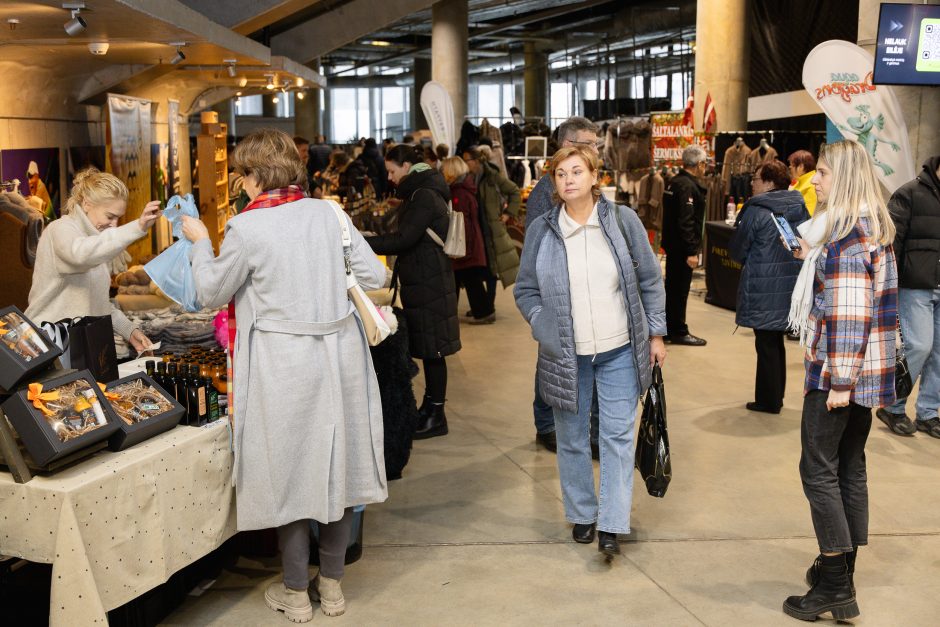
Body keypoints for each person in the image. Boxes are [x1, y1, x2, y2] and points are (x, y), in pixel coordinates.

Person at [180, 128, 387, 622]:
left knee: (290, 470)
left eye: (242, 175)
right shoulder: (329, 212)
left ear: (255, 176)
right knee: (341, 469)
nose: (241, 184)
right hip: (341, 357)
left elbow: (210, 291)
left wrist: (200, 242)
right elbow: (375, 277)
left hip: (281, 362)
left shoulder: (246, 229)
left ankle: (296, 594)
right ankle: (331, 588)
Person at [514, 145, 667, 557]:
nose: (568, 180)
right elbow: (525, 288)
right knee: (572, 437)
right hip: (566, 354)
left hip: (618, 347)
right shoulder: (543, 230)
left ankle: (613, 523)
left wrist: (656, 333)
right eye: (560, 173)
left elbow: (650, 279)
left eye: (576, 171)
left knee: (617, 435)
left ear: (594, 176)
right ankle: (583, 513)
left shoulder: (622, 220)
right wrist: (542, 325)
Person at [782, 140, 898, 622]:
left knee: (819, 470)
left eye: (824, 172)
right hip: (869, 374)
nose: (817, 180)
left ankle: (834, 585)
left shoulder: (848, 240)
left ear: (844, 177)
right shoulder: (872, 228)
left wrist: (840, 384)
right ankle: (842, 569)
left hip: (840, 375)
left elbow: (850, 319)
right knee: (849, 467)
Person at [366, 144, 461, 439]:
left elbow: (404, 239)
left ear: (407, 166)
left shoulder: (423, 195)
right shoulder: (423, 191)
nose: (391, 178)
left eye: (393, 171)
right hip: (426, 278)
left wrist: (363, 244)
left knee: (433, 349)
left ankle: (436, 414)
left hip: (429, 280)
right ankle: (430, 409)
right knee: (430, 347)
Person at [523, 116, 600, 452]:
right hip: (558, 291)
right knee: (554, 358)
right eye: (590, 143)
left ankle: (560, 426)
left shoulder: (581, 184)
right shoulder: (549, 189)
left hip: (581, 289)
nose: (596, 149)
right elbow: (539, 244)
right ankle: (545, 425)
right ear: (569, 144)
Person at [26, 167, 159, 354]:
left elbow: (97, 302)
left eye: (118, 219)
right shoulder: (60, 230)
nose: (114, 225)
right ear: (87, 204)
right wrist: (137, 227)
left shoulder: (95, 238)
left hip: (78, 346)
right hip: (49, 345)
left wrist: (129, 330)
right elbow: (80, 254)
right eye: (109, 216)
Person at [729, 160, 809, 414]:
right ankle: (775, 396)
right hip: (789, 286)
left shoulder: (756, 211)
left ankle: (768, 400)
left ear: (769, 182)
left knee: (766, 344)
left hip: (763, 288)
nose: (752, 183)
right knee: (775, 343)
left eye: (756, 179)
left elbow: (738, 249)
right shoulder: (799, 206)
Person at [877, 154, 940, 438]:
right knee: (919, 345)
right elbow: (890, 241)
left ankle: (928, 412)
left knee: (939, 353)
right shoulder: (909, 193)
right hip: (915, 286)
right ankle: (892, 405)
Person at [463, 145, 521, 319]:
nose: (465, 163)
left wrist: (508, 214)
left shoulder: (492, 176)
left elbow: (514, 191)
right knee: (479, 268)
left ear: (475, 161)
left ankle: (489, 307)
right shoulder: (467, 178)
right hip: (476, 228)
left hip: (490, 229)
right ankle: (482, 305)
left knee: (491, 269)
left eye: (466, 160)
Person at [661, 145, 708, 346]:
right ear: (698, 165)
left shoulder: (674, 182)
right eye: (704, 164)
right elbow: (686, 220)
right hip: (681, 249)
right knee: (679, 290)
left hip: (673, 246)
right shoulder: (687, 186)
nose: (705, 168)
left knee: (672, 289)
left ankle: (668, 328)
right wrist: (691, 251)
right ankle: (678, 330)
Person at [441, 156, 490, 322]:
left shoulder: (458, 193)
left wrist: (464, 249)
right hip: (469, 245)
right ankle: (483, 311)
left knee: (468, 280)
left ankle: (482, 312)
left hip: (465, 247)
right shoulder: (464, 189)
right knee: (470, 280)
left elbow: (463, 224)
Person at [788, 150, 818, 216]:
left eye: (792, 166)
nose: (790, 169)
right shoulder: (799, 182)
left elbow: (810, 215)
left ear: (801, 167)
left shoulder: (812, 185)